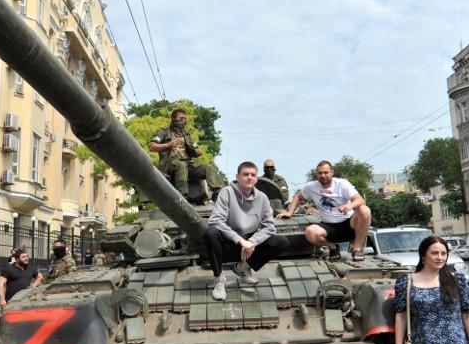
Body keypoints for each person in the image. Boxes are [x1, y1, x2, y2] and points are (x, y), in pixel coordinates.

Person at [205, 161, 289, 301]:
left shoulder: (262, 198)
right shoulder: (227, 192)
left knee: (281, 242)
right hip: (229, 243)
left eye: (252, 175)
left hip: (249, 246)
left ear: (256, 178)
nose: (249, 177)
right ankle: (219, 279)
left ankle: (243, 268)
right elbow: (215, 220)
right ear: (238, 177)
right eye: (245, 174)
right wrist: (240, 240)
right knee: (210, 233)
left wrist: (251, 241)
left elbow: (269, 226)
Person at [277, 161, 372, 261]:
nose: (323, 175)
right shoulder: (311, 186)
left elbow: (359, 200)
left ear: (332, 172)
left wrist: (349, 206)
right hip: (328, 227)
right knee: (310, 232)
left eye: (326, 172)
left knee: (365, 210)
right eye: (320, 173)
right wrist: (289, 212)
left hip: (349, 224)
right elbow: (298, 197)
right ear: (316, 174)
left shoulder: (342, 184)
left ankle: (356, 248)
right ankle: (332, 247)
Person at [147, 108, 222, 201]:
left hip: (187, 165)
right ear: (173, 118)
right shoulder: (164, 131)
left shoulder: (186, 135)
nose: (183, 120)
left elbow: (195, 148)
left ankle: (219, 193)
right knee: (181, 165)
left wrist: (197, 152)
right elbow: (151, 146)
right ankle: (183, 197)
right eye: (181, 118)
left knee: (208, 168)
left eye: (185, 119)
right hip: (169, 166)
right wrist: (168, 145)